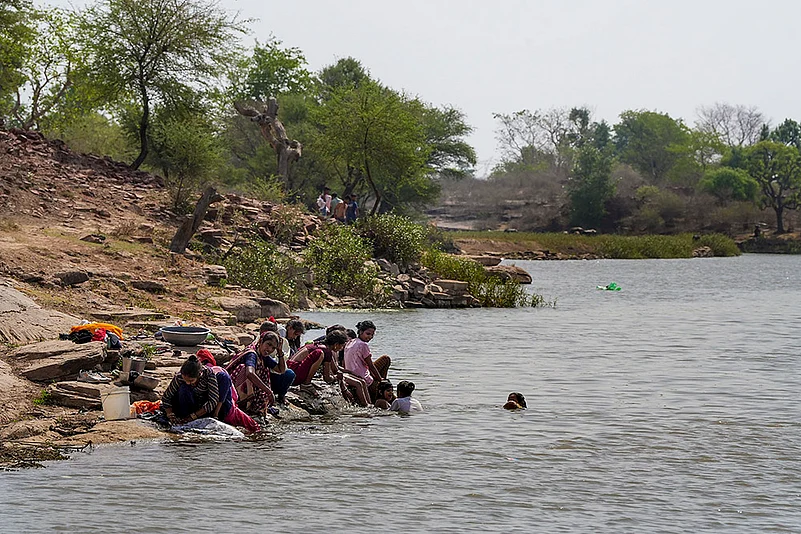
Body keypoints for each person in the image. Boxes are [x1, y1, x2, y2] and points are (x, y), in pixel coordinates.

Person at [226, 331, 293, 415]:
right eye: (268, 344)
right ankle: (240, 401)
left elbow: (281, 370)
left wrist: (280, 352)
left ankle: (250, 403)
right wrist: (268, 391)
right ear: (261, 341)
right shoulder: (252, 354)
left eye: (273, 348)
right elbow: (250, 373)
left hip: (248, 390)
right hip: (233, 388)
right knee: (243, 369)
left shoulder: (263, 355)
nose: (270, 349)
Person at [196, 349, 260, 434]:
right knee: (253, 426)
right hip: (226, 409)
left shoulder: (199, 373)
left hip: (207, 407)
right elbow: (234, 396)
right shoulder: (219, 370)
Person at [161, 354, 220, 425]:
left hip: (201, 407)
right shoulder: (179, 377)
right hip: (184, 404)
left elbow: (213, 400)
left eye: (191, 381)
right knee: (184, 388)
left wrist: (194, 416)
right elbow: (166, 397)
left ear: (199, 375)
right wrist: (169, 413)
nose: (188, 383)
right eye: (185, 380)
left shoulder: (208, 374)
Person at [343, 320, 391, 402]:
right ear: (360, 332)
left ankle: (381, 382)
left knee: (385, 359)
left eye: (372, 335)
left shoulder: (350, 342)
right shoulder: (363, 345)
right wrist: (380, 380)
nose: (370, 337)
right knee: (386, 359)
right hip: (363, 377)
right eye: (368, 334)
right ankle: (382, 384)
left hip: (352, 375)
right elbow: (370, 365)